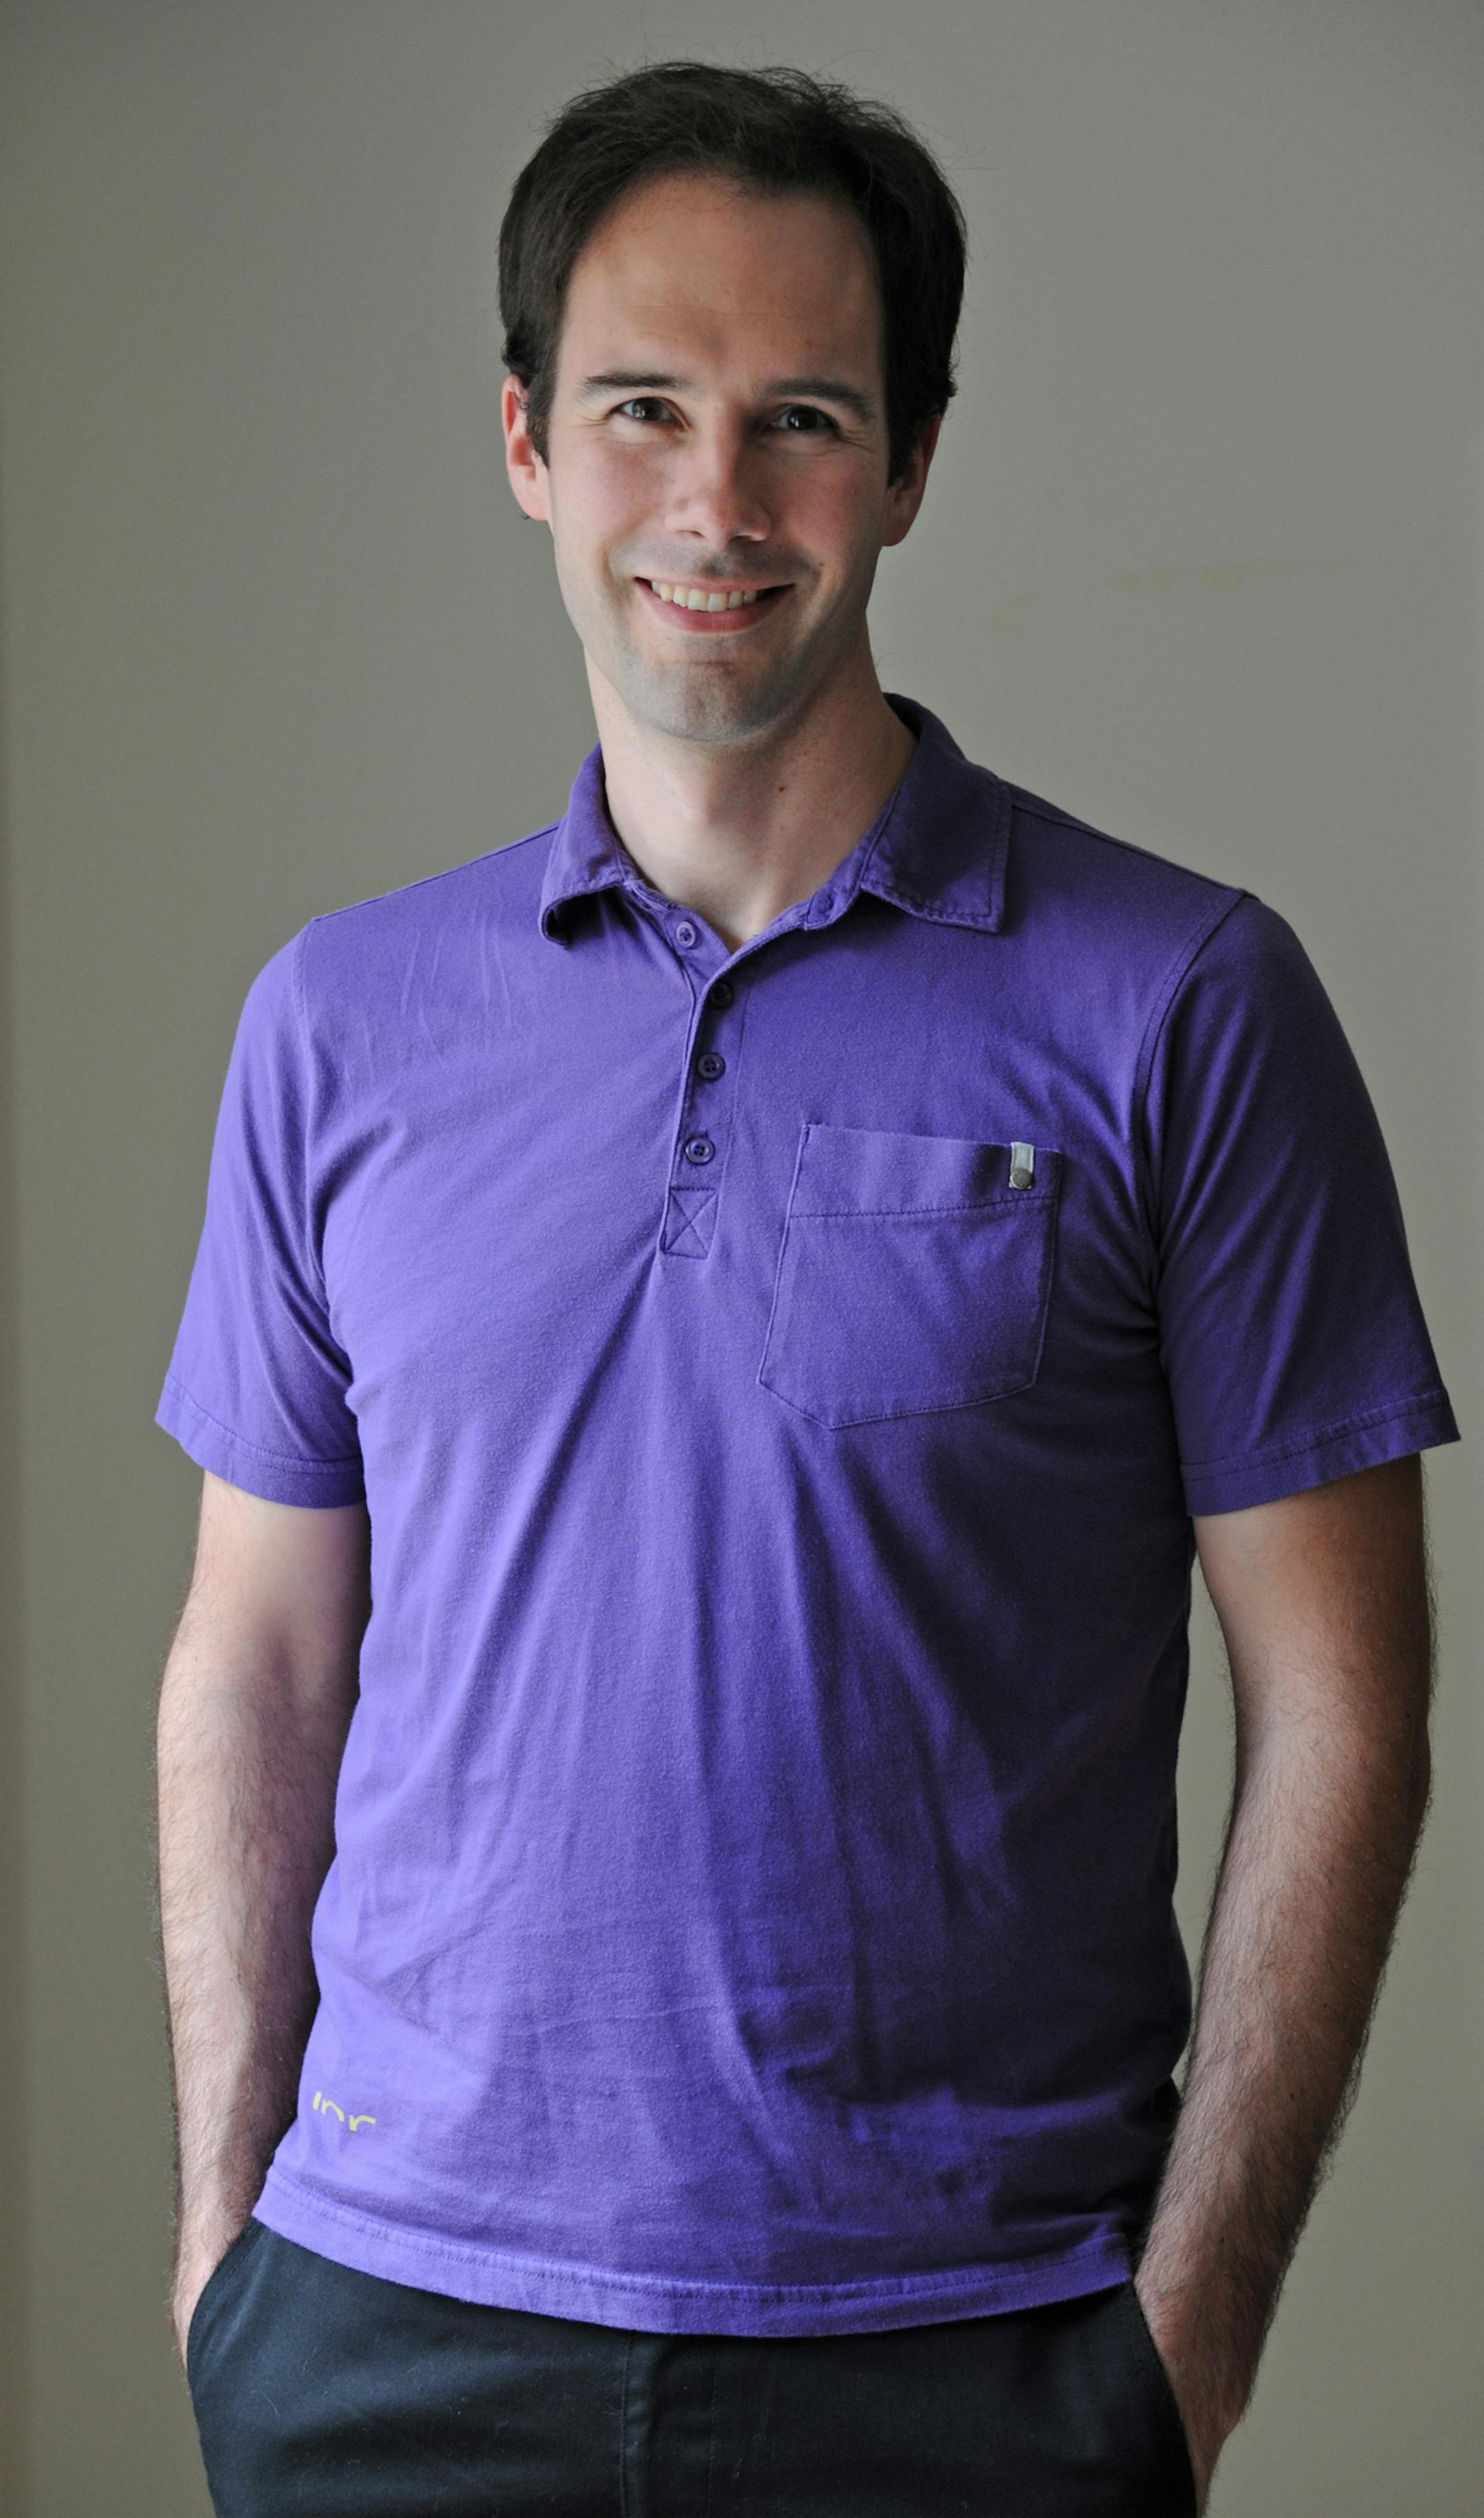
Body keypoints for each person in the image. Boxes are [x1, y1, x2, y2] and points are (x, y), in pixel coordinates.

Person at [153, 57, 1458, 2518]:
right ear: (530, 438)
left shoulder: (1180, 1003)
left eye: (806, 421)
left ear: (917, 461)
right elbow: (260, 1653)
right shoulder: (336, 1023)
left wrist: (1185, 2343)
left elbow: (1346, 1704)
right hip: (382, 2343)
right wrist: (230, 2248)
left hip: (971, 2366)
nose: (719, 508)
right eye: (646, 409)